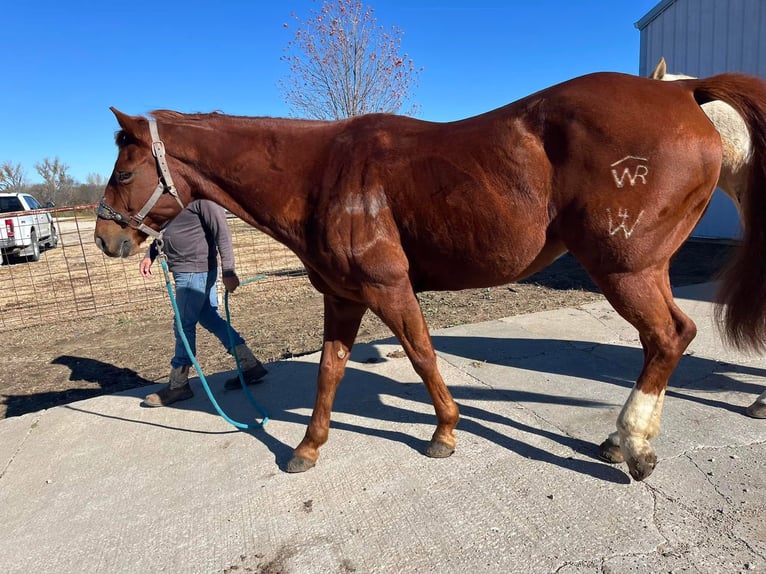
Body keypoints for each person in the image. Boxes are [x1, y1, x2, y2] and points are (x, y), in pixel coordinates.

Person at [139, 199, 267, 407]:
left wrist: (228, 271)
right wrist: (150, 254)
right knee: (208, 317)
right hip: (187, 269)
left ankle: (179, 383)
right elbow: (166, 230)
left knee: (183, 324)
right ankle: (249, 364)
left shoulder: (203, 199)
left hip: (195, 270)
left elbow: (222, 232)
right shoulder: (174, 197)